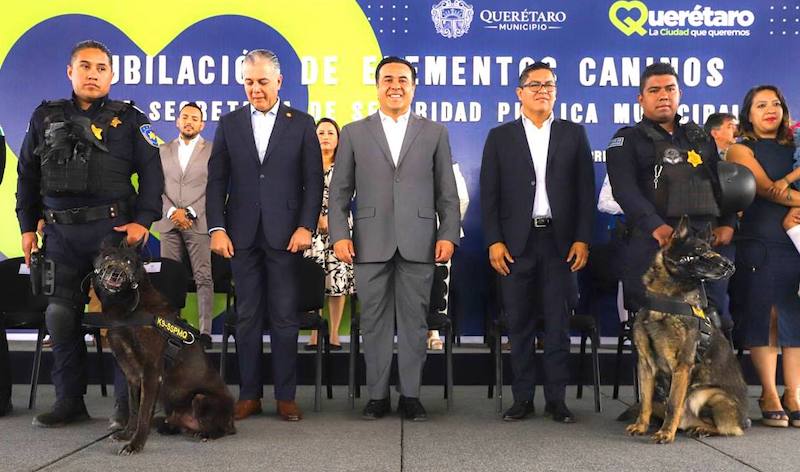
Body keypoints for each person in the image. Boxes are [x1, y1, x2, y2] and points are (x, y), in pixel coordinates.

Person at [15, 40, 163, 427]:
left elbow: (153, 175)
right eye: (85, 66)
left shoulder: (131, 119)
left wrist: (143, 221)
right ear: (70, 72)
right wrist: (27, 226)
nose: (93, 74)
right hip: (60, 236)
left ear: (111, 75)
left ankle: (125, 408)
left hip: (111, 234)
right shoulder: (44, 117)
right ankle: (69, 402)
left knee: (120, 318)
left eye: (100, 68)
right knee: (61, 317)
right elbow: (27, 176)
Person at [328, 56, 460, 421]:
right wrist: (340, 234)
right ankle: (377, 396)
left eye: (403, 79)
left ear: (414, 86)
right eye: (387, 79)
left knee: (416, 323)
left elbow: (446, 192)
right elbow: (339, 192)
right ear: (377, 86)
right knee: (374, 323)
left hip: (420, 241)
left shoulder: (435, 132)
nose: (395, 85)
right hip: (370, 242)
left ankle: (412, 396)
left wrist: (448, 233)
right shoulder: (354, 132)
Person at [206, 49, 322, 422]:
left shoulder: (302, 123)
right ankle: (250, 395)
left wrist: (305, 226)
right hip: (239, 236)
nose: (255, 89)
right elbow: (217, 181)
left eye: (262, 82)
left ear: (278, 82)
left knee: (286, 318)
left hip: (287, 236)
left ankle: (286, 396)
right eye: (249, 82)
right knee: (248, 318)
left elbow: (313, 181)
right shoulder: (229, 123)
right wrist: (217, 228)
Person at [480, 61, 595, 423]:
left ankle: (557, 401)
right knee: (520, 325)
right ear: (519, 93)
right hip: (516, 245)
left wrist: (582, 239)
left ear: (556, 92)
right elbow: (490, 195)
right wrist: (494, 241)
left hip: (560, 244)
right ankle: (523, 399)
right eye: (535, 85)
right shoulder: (500, 136)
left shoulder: (573, 134)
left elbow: (584, 192)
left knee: (559, 325)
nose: (542, 90)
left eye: (549, 85)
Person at [606, 62, 737, 327]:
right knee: (658, 330)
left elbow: (720, 185)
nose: (663, 95)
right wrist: (657, 228)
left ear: (680, 94)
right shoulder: (627, 140)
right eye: (654, 90)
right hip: (654, 246)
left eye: (670, 88)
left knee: (710, 326)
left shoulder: (700, 137)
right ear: (641, 99)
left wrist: (728, 223)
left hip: (703, 243)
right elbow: (624, 190)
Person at [726, 85, 800, 428]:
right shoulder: (740, 149)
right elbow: (770, 190)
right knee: (766, 317)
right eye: (761, 105)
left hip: (796, 240)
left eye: (775, 104)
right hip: (761, 242)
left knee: (795, 319)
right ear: (748, 113)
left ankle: (793, 394)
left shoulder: (796, 147)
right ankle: (768, 393)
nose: (770, 109)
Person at [152, 102, 214, 347]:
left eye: (194, 118)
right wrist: (171, 211)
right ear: (177, 121)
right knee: (169, 278)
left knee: (203, 277)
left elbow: (214, 188)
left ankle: (206, 331)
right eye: (185, 117)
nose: (189, 121)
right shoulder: (162, 150)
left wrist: (188, 211)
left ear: (202, 124)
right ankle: (171, 328)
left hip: (197, 221)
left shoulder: (212, 150)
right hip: (168, 222)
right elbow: (155, 186)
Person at [305, 118, 354, 351]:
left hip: (340, 229)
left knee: (337, 282)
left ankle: (333, 334)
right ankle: (315, 334)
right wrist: (316, 217)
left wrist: (332, 219)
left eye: (330, 133)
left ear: (338, 139)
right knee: (312, 282)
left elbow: (350, 197)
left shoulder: (347, 165)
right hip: (310, 229)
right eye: (321, 132)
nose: (325, 136)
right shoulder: (305, 164)